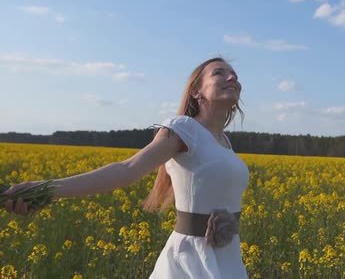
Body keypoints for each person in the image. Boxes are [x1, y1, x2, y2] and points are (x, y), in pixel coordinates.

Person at [2, 57, 250, 279]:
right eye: (219, 73)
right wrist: (44, 189)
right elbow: (126, 169)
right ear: (197, 92)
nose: (232, 77)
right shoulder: (185, 128)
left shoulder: (224, 143)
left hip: (228, 258)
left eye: (234, 75)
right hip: (191, 260)